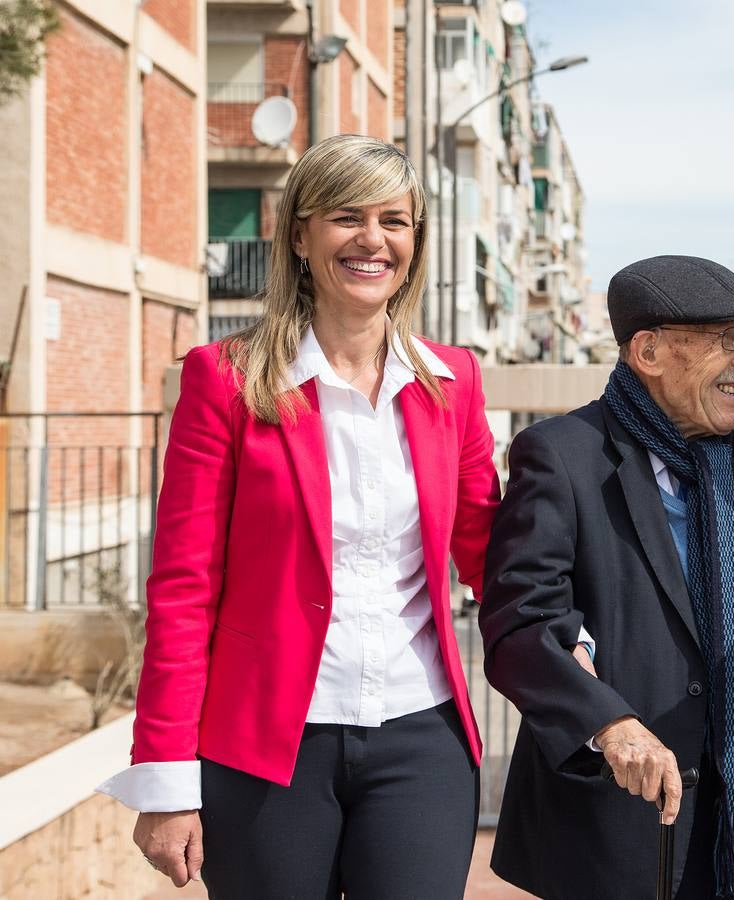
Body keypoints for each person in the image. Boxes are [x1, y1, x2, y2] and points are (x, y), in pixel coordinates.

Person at [96, 134, 501, 898]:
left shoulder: (455, 383)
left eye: (395, 220)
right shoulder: (223, 381)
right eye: (347, 216)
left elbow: (493, 554)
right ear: (300, 234)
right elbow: (183, 588)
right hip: (263, 749)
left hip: (424, 737)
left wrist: (575, 647)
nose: (373, 240)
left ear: (414, 240)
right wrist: (166, 780)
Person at [480, 255, 734, 900]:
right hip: (622, 812)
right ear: (650, 351)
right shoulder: (560, 454)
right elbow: (523, 622)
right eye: (728, 341)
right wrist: (611, 723)